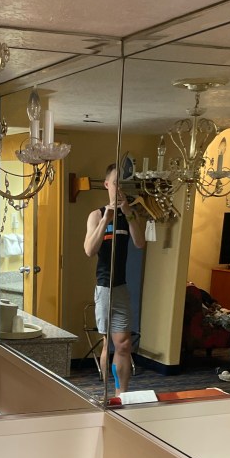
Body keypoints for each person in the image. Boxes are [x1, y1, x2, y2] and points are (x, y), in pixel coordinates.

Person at [84, 163, 146, 392]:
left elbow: (140, 243)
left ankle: (122, 393)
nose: (119, 188)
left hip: (121, 288)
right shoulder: (96, 215)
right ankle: (106, 393)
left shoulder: (130, 215)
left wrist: (128, 213)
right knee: (107, 345)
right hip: (104, 288)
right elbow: (89, 250)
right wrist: (105, 220)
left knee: (124, 345)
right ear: (107, 184)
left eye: (123, 184)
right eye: (116, 183)